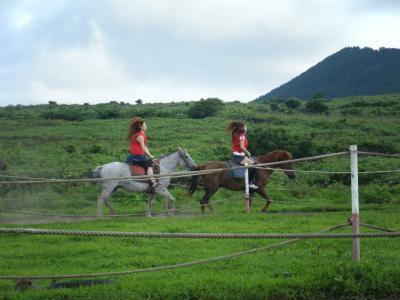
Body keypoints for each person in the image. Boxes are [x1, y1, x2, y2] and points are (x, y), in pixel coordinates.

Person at [226, 121, 258, 189]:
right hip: (239, 156)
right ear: (243, 128)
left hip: (238, 155)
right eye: (245, 127)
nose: (246, 128)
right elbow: (242, 147)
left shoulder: (236, 134)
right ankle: (250, 183)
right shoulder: (242, 136)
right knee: (255, 166)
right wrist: (248, 152)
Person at [127, 117, 157, 188]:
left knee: (150, 160)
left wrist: (150, 155)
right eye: (145, 125)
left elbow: (145, 146)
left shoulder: (142, 133)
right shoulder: (140, 136)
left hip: (139, 156)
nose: (146, 126)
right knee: (149, 165)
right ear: (140, 126)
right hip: (137, 157)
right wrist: (150, 155)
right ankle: (153, 182)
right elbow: (143, 148)